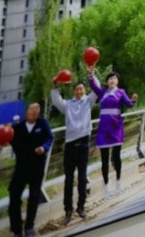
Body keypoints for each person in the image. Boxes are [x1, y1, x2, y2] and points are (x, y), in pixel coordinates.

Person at [50, 79, 96, 224]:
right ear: (73, 91)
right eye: (76, 89)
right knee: (68, 179)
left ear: (84, 90)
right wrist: (55, 86)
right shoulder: (68, 104)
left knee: (82, 177)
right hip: (70, 144)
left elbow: (96, 90)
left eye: (81, 89)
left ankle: (81, 207)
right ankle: (68, 210)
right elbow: (56, 101)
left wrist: (91, 74)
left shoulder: (88, 101)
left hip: (84, 143)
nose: (79, 91)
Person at [88, 66, 137, 198]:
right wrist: (91, 74)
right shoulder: (102, 92)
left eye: (114, 78)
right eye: (110, 78)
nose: (112, 80)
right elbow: (93, 85)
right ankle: (106, 185)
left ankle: (119, 182)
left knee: (116, 156)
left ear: (117, 81)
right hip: (104, 128)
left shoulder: (121, 92)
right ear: (107, 81)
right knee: (104, 160)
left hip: (116, 126)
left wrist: (133, 100)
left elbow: (129, 104)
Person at [7, 102, 53, 237]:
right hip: (21, 167)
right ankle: (16, 230)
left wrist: (44, 148)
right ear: (27, 111)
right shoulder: (18, 127)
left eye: (37, 109)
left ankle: (29, 227)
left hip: (37, 166)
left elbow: (49, 137)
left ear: (39, 113)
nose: (34, 111)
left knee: (34, 196)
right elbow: (1, 137)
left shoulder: (42, 124)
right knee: (14, 196)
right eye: (32, 108)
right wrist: (0, 133)